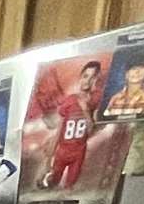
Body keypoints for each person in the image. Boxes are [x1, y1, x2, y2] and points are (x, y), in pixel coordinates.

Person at [38, 58, 106, 191]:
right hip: (63, 150)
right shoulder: (70, 99)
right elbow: (61, 126)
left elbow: (92, 130)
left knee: (69, 186)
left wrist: (86, 110)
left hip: (79, 151)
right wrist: (53, 147)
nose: (88, 80)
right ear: (80, 77)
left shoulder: (95, 100)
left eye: (93, 77)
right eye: (86, 76)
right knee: (51, 183)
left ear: (96, 80)